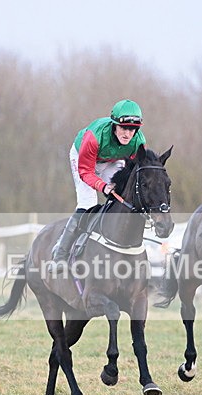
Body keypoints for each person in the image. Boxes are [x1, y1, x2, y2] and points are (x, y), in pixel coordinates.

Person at [49, 99, 147, 272]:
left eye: (132, 129)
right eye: (123, 128)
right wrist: (102, 186)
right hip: (84, 159)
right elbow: (86, 171)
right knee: (88, 203)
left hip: (112, 160)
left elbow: (134, 171)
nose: (127, 134)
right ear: (114, 125)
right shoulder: (94, 137)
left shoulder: (139, 142)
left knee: (120, 197)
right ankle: (60, 254)